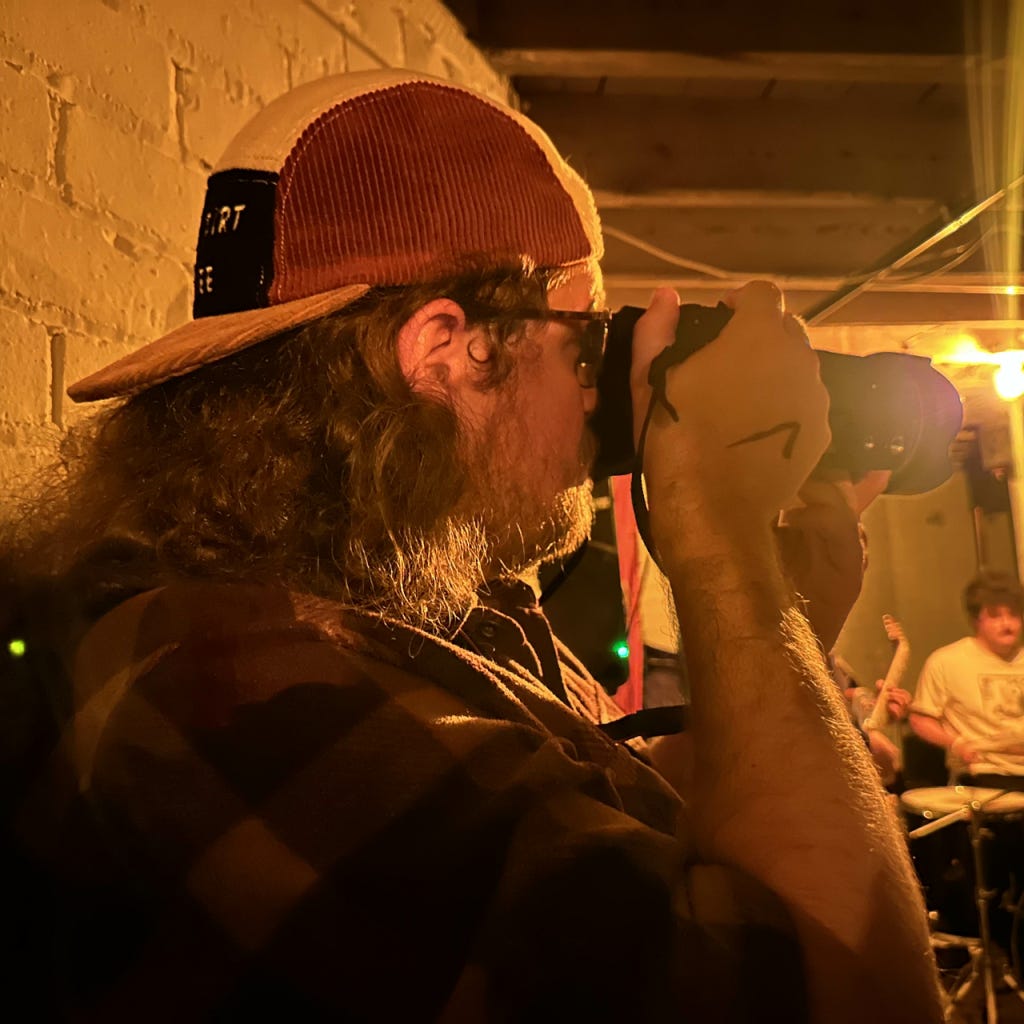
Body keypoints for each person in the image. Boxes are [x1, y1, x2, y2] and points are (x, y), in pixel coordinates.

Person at [3, 70, 942, 1022]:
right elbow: (846, 996)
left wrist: (787, 617)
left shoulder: (436, 614)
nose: (598, 399)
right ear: (446, 353)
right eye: (584, 346)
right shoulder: (220, 680)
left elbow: (647, 848)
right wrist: (728, 551)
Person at [910, 571, 1024, 789]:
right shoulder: (946, 661)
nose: (1007, 624)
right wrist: (956, 744)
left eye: (1013, 615)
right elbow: (920, 719)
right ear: (975, 620)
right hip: (983, 774)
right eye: (995, 616)